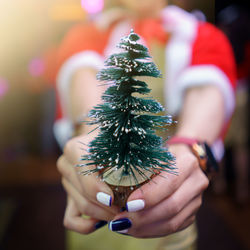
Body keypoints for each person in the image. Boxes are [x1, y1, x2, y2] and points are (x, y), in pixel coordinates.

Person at [55, 0, 236, 249]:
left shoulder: (199, 35)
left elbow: (208, 93)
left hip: (166, 209)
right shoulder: (88, 34)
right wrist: (92, 140)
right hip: (97, 205)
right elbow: (84, 82)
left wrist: (188, 150)